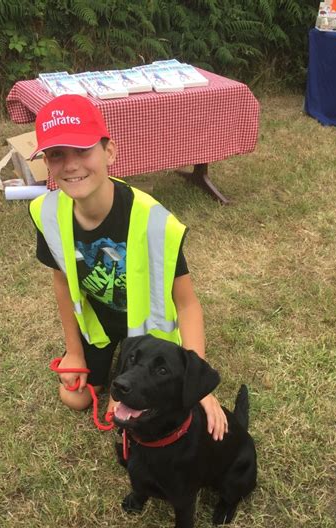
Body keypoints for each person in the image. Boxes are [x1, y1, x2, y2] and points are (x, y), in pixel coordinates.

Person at [29, 95, 227, 440]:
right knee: (73, 396)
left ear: (110, 152)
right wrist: (74, 350)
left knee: (135, 409)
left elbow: (187, 303)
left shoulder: (154, 222)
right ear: (47, 162)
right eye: (57, 154)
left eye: (83, 150)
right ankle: (103, 359)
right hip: (101, 325)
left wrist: (200, 387)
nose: (71, 165)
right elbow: (62, 283)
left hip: (150, 330)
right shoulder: (48, 213)